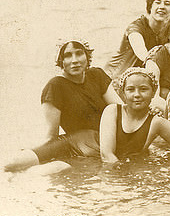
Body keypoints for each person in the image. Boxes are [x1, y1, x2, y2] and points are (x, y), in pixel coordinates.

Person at [4, 40, 121, 172]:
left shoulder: (97, 75)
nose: (75, 60)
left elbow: (120, 109)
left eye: (79, 53)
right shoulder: (55, 86)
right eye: (68, 56)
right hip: (75, 143)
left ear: (87, 57)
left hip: (107, 140)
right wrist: (32, 149)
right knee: (12, 164)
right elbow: (51, 135)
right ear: (60, 61)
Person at [99, 68, 170, 163]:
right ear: (123, 93)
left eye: (143, 89)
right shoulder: (112, 111)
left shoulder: (158, 122)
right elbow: (106, 155)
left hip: (137, 169)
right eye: (130, 89)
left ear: (153, 92)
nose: (137, 94)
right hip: (112, 170)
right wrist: (120, 176)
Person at [104, 0, 170, 80]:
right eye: (157, 2)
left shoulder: (169, 29)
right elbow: (141, 52)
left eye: (167, 4)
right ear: (150, 6)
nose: (162, 7)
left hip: (142, 78)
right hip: (115, 77)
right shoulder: (136, 27)